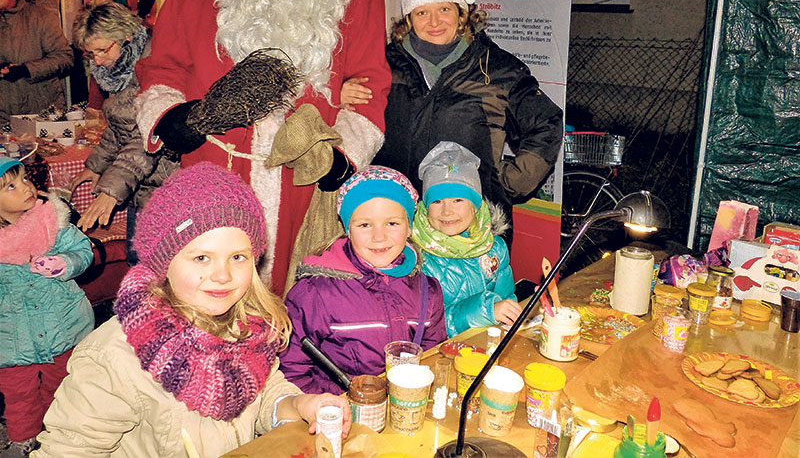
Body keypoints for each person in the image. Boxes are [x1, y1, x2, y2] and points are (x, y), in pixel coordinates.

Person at [135, 0, 391, 294]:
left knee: (299, 292)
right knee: (211, 289)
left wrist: (343, 155)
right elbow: (163, 69)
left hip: (304, 177)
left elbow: (370, 86)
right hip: (215, 167)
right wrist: (169, 116)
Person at [32, 163, 350, 458]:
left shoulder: (247, 327)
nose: (223, 275)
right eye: (201, 258)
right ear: (164, 263)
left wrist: (298, 403)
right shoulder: (115, 360)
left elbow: (264, 391)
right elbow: (67, 450)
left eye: (238, 257)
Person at [371, 0, 563, 235]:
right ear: (409, 18)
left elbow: (546, 123)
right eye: (422, 12)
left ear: (461, 13)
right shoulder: (383, 63)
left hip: (468, 226)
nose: (434, 21)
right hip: (397, 221)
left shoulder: (497, 68)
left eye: (444, 9)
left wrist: (505, 182)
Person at [280, 166, 447, 394]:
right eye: (365, 225)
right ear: (347, 228)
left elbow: (431, 356)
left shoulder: (428, 291)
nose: (379, 237)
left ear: (409, 226)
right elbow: (291, 370)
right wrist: (326, 407)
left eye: (392, 223)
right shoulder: (315, 294)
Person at [69, 0, 178, 264]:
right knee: (137, 261)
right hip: (140, 183)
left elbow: (145, 135)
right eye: (90, 54)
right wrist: (95, 166)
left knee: (156, 266)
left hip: (164, 184)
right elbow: (119, 127)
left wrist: (111, 190)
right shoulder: (120, 69)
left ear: (126, 35)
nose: (98, 60)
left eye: (102, 50)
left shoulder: (154, 66)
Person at [0, 157, 94, 458]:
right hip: (12, 338)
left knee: (64, 384)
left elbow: (83, 250)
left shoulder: (51, 220)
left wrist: (65, 263)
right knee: (18, 394)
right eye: (10, 186)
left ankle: (59, 431)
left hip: (61, 326)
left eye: (25, 178)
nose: (26, 187)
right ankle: (23, 436)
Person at [411, 141, 522, 337]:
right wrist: (486, 311)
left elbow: (507, 298)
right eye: (436, 201)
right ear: (425, 207)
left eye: (458, 200)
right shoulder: (417, 257)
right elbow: (425, 326)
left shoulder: (494, 248)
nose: (447, 211)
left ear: (476, 205)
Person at [0, 0, 73, 128]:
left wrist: (26, 70)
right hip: (3, 118)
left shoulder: (40, 16)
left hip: (41, 114)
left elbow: (65, 58)